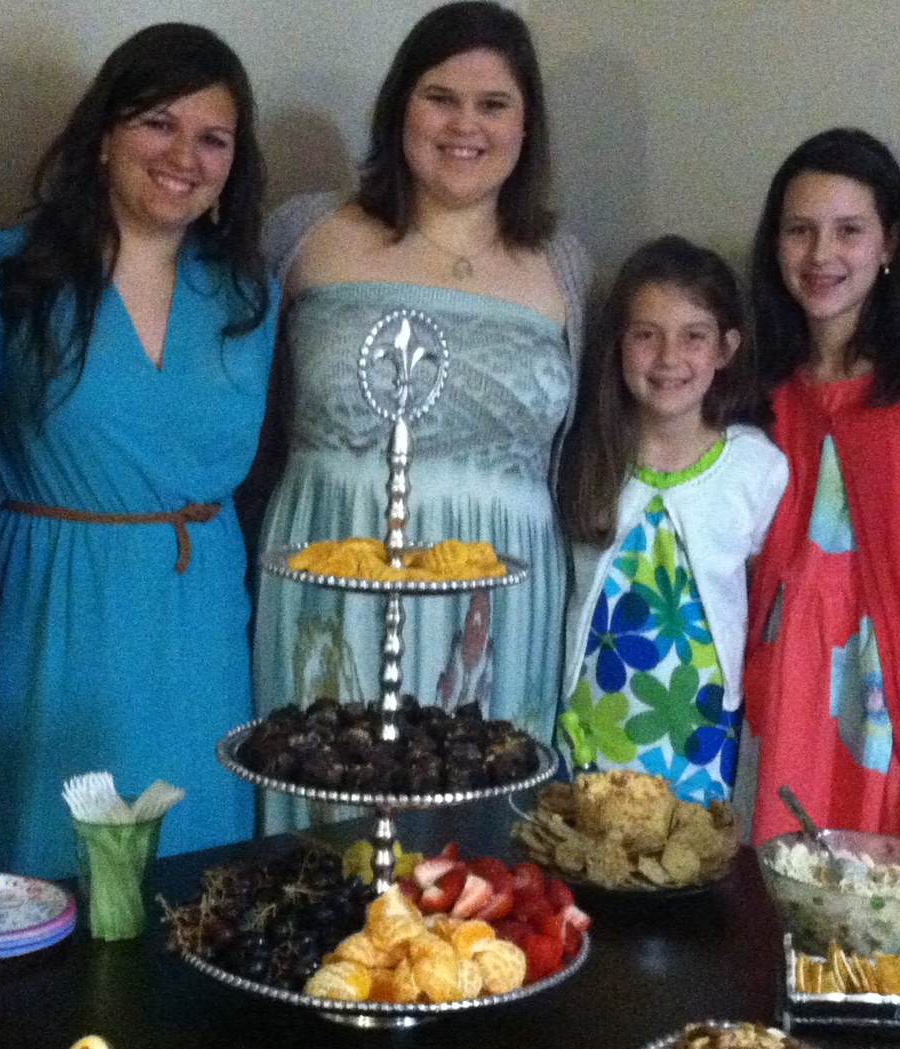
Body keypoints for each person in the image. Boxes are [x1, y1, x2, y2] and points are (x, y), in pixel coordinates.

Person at [247, 1, 590, 832]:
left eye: (492, 104)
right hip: (329, 576)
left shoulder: (563, 266)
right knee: (322, 834)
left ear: (525, 126)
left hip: (502, 603)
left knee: (474, 857)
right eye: (440, 98)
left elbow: (587, 449)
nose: (464, 125)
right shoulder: (306, 234)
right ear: (398, 106)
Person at [0, 23, 276, 875]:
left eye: (212, 138)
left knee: (194, 865)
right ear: (103, 135)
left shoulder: (249, 292)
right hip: (50, 608)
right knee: (40, 858)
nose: (183, 156)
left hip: (200, 616)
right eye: (157, 123)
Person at [744, 127, 900, 925]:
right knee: (773, 940)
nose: (821, 253)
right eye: (799, 229)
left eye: (848, 229)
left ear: (888, 243)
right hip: (779, 721)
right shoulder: (757, 391)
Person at [554, 236, 786, 803]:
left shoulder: (756, 468)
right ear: (618, 343)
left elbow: (764, 606)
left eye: (693, 336)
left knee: (688, 854)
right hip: (588, 725)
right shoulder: (584, 456)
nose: (668, 358)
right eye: (646, 335)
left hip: (701, 735)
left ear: (726, 349)